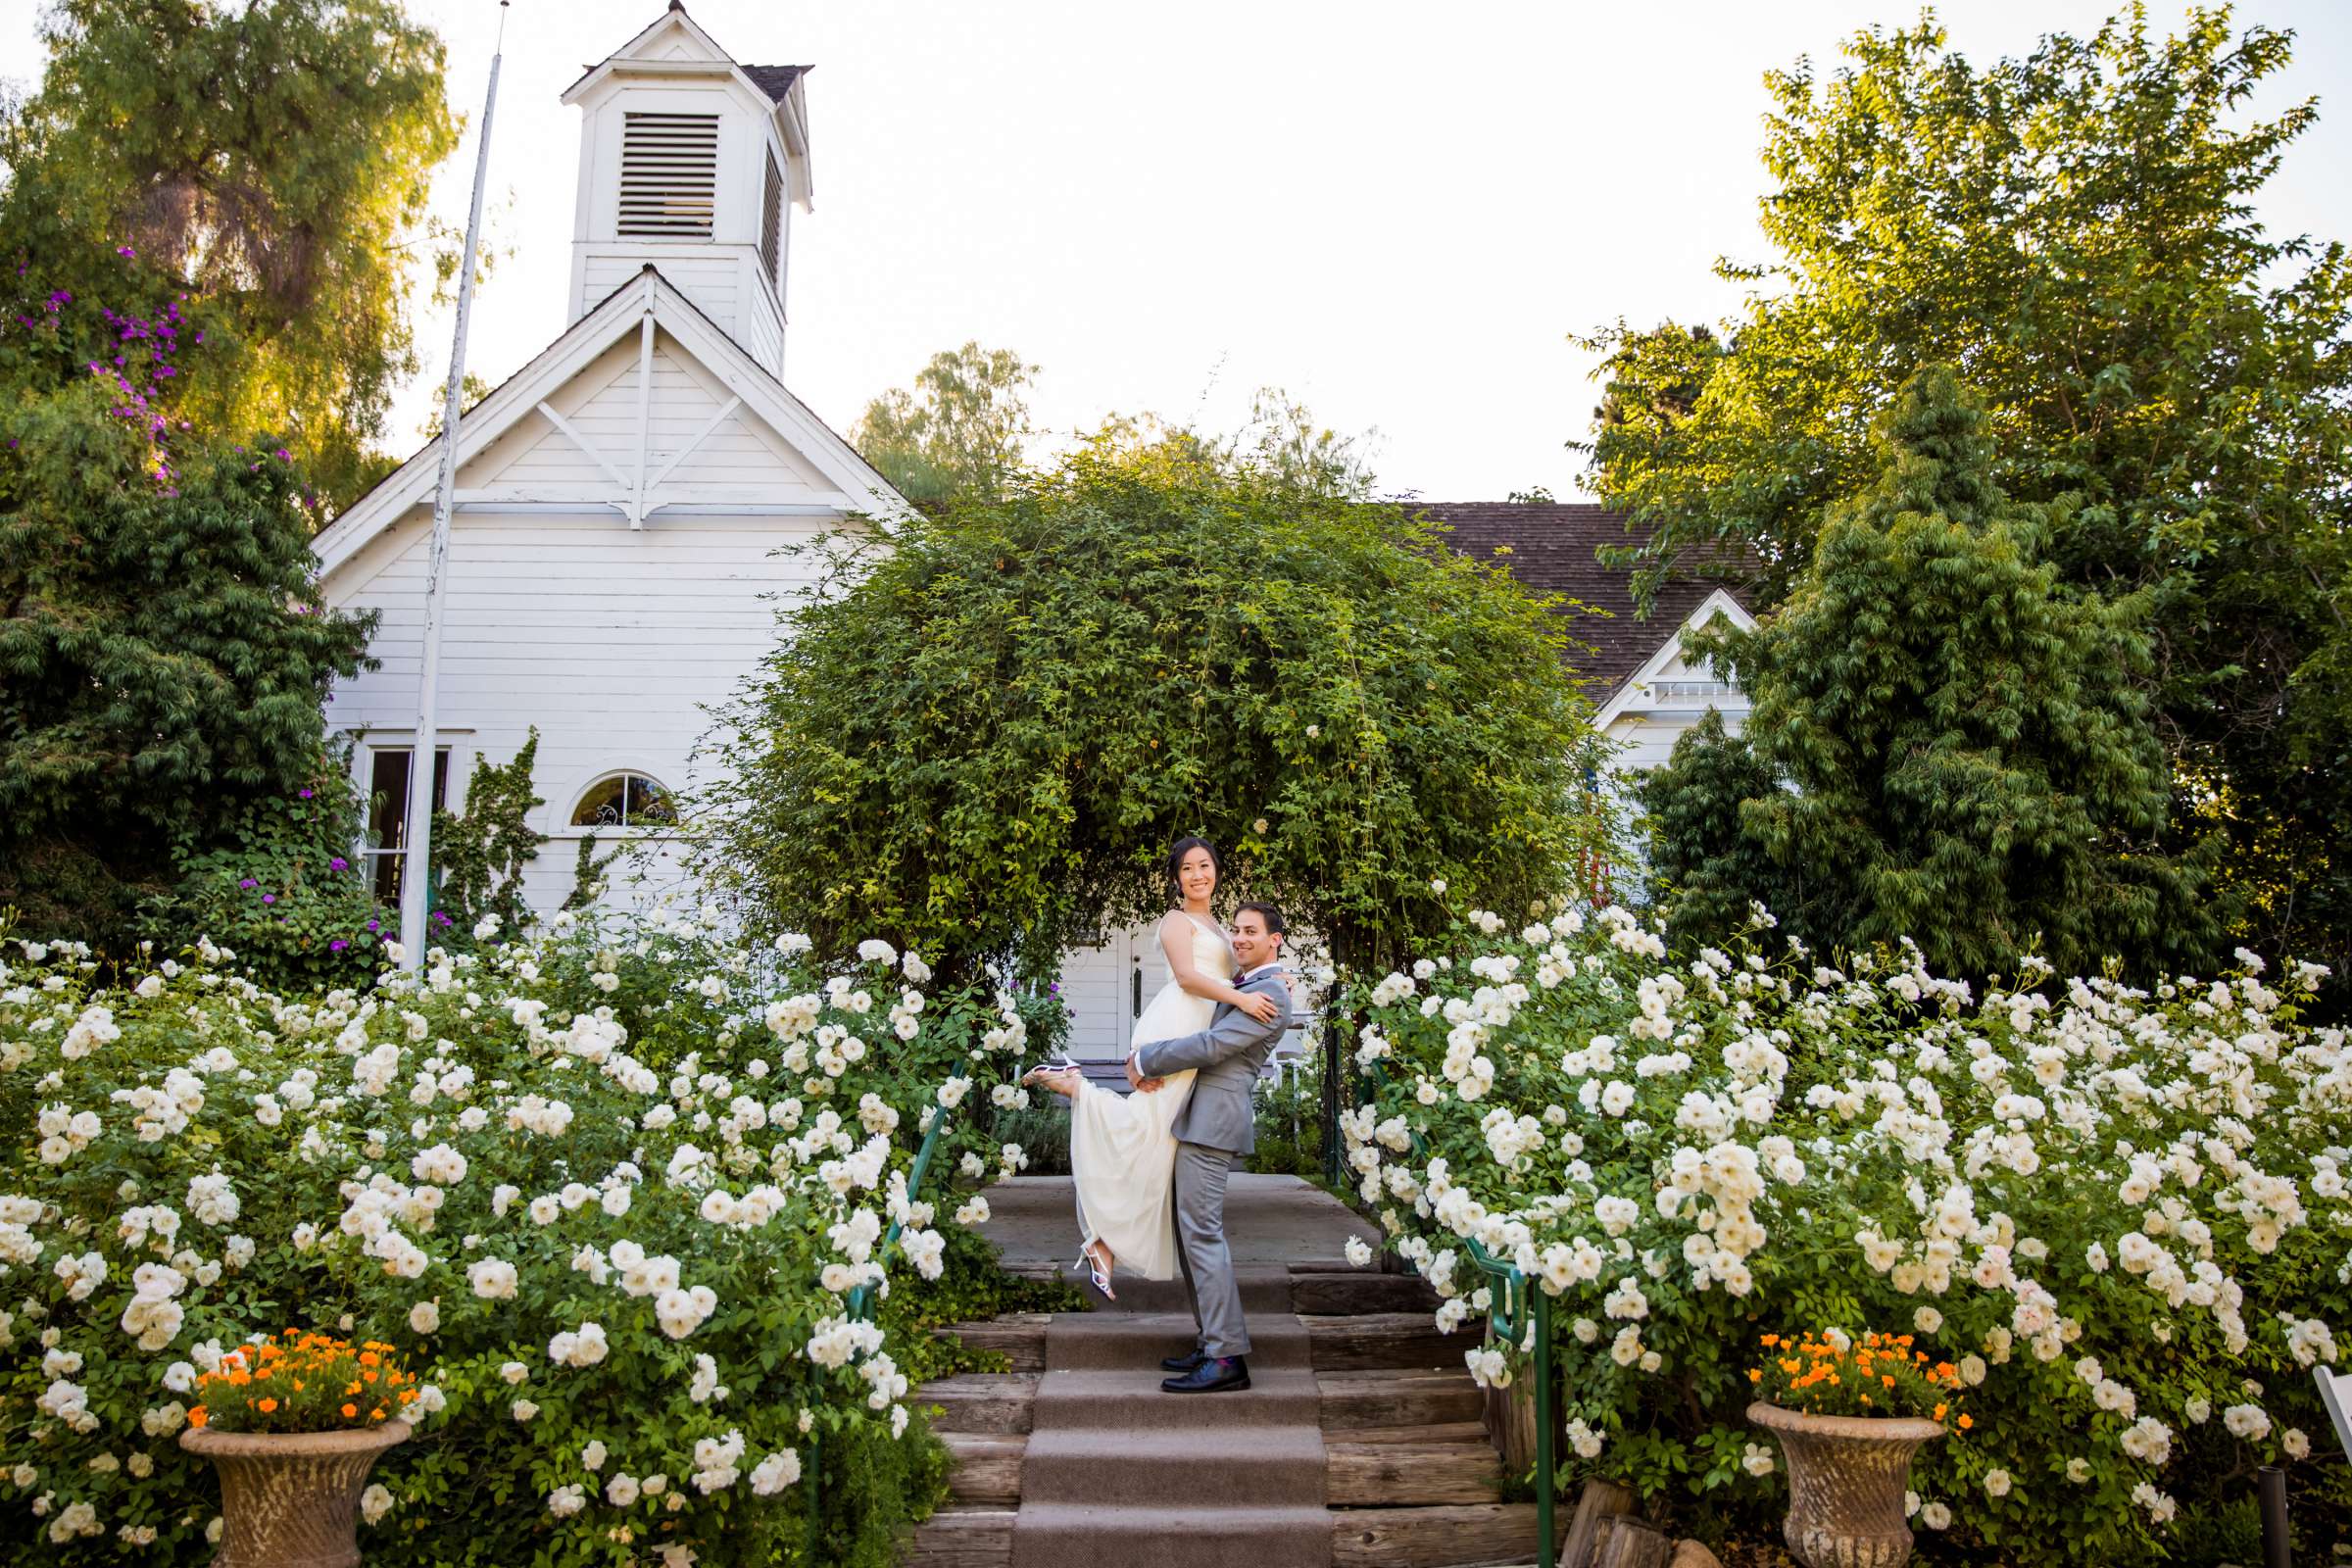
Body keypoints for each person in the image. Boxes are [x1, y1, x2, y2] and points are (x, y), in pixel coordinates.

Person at [1028, 844, 1291, 1396]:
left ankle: (1226, 1357)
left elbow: (1216, 1045)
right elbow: (1195, 987)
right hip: (1193, 1112)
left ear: (1275, 940)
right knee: (1189, 1225)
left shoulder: (1269, 995)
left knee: (1202, 1234)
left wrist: (1145, 1059)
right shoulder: (1246, 985)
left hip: (1213, 1121)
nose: (1239, 939)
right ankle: (1210, 1339)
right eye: (1235, 931)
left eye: (1250, 932)